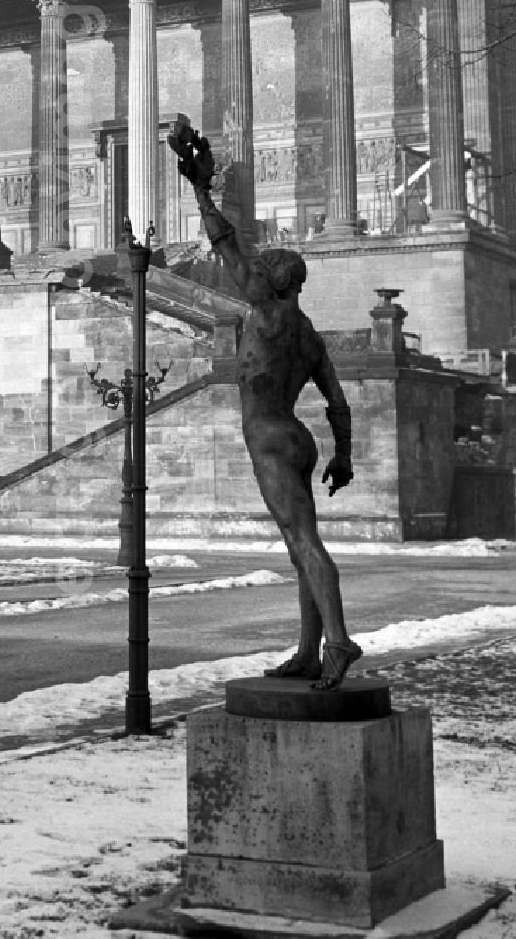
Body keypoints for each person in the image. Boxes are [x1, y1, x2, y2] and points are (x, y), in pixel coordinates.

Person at [168, 117, 362, 691]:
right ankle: (307, 650)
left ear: (275, 280)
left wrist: (201, 189)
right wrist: (342, 457)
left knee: (304, 542)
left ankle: (339, 642)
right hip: (299, 438)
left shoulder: (267, 312)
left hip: (270, 437)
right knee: (302, 545)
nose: (255, 272)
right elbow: (339, 403)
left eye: (264, 268)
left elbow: (226, 246)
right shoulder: (308, 334)